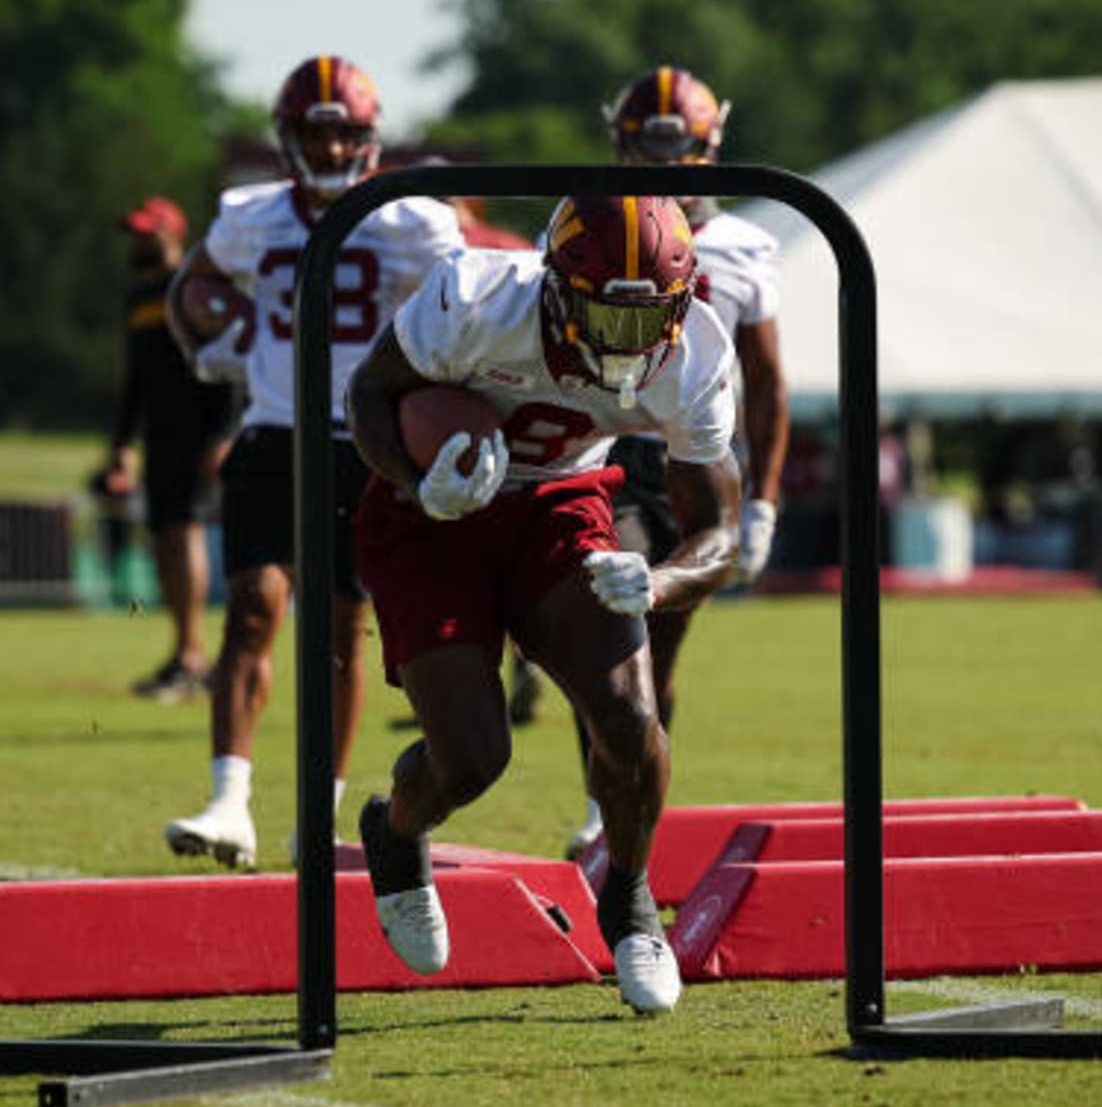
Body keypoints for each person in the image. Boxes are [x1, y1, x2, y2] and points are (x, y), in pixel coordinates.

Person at [348, 195, 741, 1013]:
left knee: (629, 718)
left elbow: (718, 532)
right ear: (556, 289)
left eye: (646, 319)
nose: (625, 341)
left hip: (560, 502)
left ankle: (630, 899)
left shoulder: (696, 351)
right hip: (432, 519)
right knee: (471, 759)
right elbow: (370, 396)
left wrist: (659, 581)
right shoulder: (476, 298)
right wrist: (415, 482)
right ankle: (396, 832)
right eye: (606, 315)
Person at [162, 55, 464, 869]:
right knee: (253, 606)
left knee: (338, 631)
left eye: (344, 135)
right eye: (315, 134)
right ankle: (229, 802)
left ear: (369, 138)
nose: (330, 150)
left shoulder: (412, 221)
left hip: (366, 441)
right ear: (288, 136)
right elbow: (191, 286)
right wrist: (207, 347)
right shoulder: (252, 215)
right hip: (273, 431)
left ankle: (315, 817)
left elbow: (460, 311)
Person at [528, 65, 791, 856]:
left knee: (658, 653)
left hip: (694, 454)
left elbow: (767, 384)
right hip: (607, 446)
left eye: (679, 149)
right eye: (648, 149)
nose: (665, 165)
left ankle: (628, 803)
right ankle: (601, 808)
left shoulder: (744, 244)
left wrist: (763, 501)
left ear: (711, 145)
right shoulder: (581, 224)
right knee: (616, 632)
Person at [92, 197, 236, 700]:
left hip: (197, 436)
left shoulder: (196, 288)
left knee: (184, 531)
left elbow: (226, 367)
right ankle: (184, 653)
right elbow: (136, 378)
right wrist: (122, 444)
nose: (137, 242)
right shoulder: (139, 297)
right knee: (164, 536)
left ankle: (193, 655)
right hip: (158, 437)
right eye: (134, 234)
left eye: (146, 233)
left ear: (172, 234)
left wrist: (221, 437)